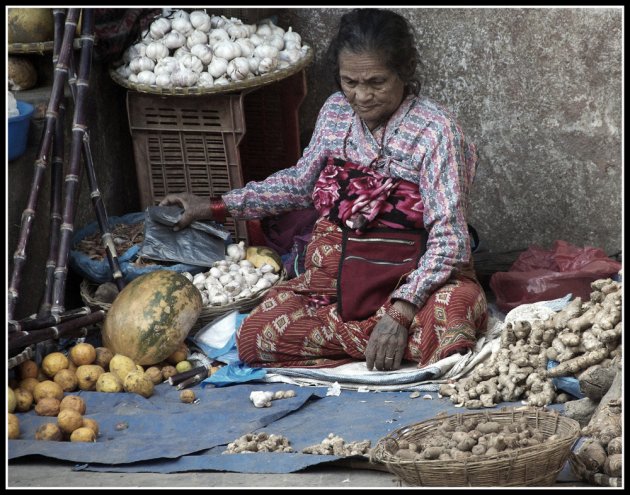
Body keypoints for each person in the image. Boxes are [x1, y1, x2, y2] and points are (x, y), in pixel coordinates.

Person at [160, 8, 488, 372]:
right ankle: (376, 347)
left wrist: (401, 310)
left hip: (413, 283)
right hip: (333, 287)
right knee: (255, 336)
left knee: (451, 321)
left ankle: (377, 339)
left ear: (404, 73)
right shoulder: (335, 113)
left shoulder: (437, 132)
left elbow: (450, 240)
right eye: (350, 82)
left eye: (376, 82)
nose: (362, 96)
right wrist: (214, 207)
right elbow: (300, 185)